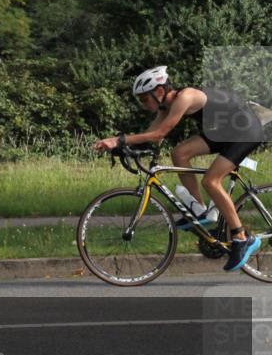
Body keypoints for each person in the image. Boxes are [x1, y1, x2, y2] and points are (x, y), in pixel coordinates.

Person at [93, 66, 265, 272]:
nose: (143, 104)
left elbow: (159, 134)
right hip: (224, 132)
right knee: (180, 153)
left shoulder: (186, 97)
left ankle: (241, 237)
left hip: (245, 131)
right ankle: (199, 210)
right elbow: (150, 136)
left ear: (159, 91)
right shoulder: (165, 107)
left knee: (211, 181)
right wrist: (124, 147)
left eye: (144, 99)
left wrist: (118, 140)